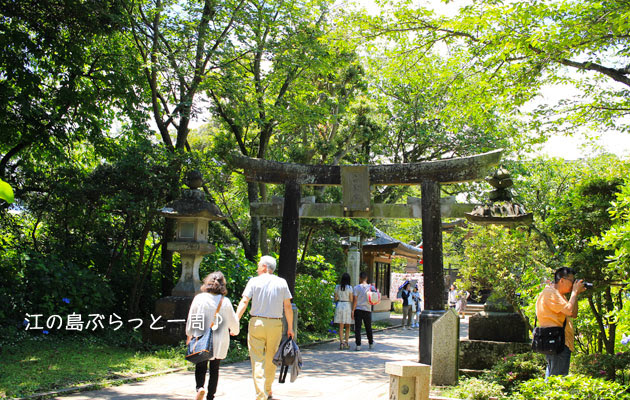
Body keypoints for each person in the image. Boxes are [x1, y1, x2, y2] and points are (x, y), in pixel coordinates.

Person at [236, 255, 294, 400]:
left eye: (259, 265)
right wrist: (290, 327)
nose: (257, 268)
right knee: (272, 358)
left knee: (257, 359)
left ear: (264, 267)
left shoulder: (254, 281)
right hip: (275, 323)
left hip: (257, 323)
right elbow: (287, 307)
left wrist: (236, 320)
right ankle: (268, 390)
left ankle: (260, 394)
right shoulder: (282, 282)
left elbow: (244, 301)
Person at [186, 271, 240, 400]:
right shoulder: (224, 301)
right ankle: (211, 396)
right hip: (219, 339)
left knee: (201, 365)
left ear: (207, 283)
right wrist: (234, 331)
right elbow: (233, 321)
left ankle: (200, 388)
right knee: (215, 368)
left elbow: (192, 319)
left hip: (201, 336)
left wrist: (189, 335)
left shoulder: (199, 298)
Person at [535, 267, 586, 377]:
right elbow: (569, 310)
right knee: (558, 380)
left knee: (553, 378)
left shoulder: (559, 295)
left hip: (559, 343)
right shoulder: (551, 293)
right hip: (558, 343)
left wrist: (575, 294)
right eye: (572, 281)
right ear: (562, 280)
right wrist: (574, 293)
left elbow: (573, 313)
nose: (573, 284)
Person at [352, 271, 374, 351]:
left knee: (358, 328)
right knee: (368, 327)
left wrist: (353, 310)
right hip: (367, 309)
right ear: (366, 278)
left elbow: (355, 300)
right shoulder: (371, 287)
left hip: (358, 309)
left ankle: (358, 345)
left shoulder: (356, 288)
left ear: (360, 278)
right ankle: (371, 343)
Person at [334, 273, 354, 349]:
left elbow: (335, 298)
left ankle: (341, 342)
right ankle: (346, 342)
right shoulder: (349, 288)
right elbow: (351, 299)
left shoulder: (337, 287)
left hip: (339, 305)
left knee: (341, 326)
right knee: (347, 325)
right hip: (347, 306)